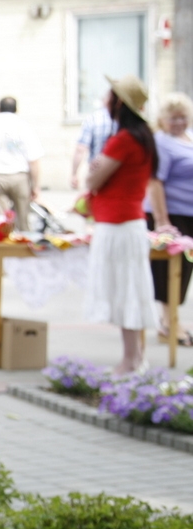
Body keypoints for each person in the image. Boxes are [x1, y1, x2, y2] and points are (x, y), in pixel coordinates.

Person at [85, 75, 159, 374]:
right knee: (131, 288)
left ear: (120, 103)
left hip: (117, 224)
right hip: (128, 222)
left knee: (124, 290)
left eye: (110, 95)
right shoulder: (142, 136)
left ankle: (130, 359)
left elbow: (93, 179)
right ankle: (136, 357)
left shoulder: (124, 140)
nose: (105, 100)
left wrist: (94, 170)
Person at [146, 92, 193, 346]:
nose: (178, 122)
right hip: (171, 214)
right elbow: (155, 181)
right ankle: (168, 323)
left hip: (188, 213)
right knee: (172, 270)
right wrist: (162, 220)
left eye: (182, 117)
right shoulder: (162, 142)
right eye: (172, 118)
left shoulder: (188, 139)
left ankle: (172, 320)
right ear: (162, 120)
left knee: (185, 271)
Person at [0, 97, 43, 229]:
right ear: (16, 109)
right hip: (19, 176)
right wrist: (36, 186)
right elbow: (34, 159)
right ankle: (23, 243)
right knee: (23, 217)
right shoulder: (23, 126)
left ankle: (1, 245)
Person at [73, 95, 118, 191]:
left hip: (97, 176)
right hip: (120, 178)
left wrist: (74, 174)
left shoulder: (93, 118)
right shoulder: (129, 125)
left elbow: (80, 149)